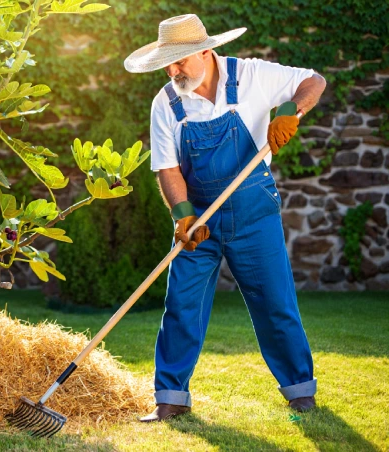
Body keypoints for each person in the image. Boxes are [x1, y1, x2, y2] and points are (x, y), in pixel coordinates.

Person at [123, 14, 327, 422]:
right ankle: (170, 400)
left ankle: (300, 391)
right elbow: (168, 169)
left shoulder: (251, 75)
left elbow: (314, 81)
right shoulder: (166, 102)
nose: (173, 70)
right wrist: (182, 216)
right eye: (168, 62)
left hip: (255, 216)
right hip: (200, 224)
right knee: (181, 306)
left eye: (180, 60)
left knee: (274, 302)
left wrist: (290, 110)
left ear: (205, 51)